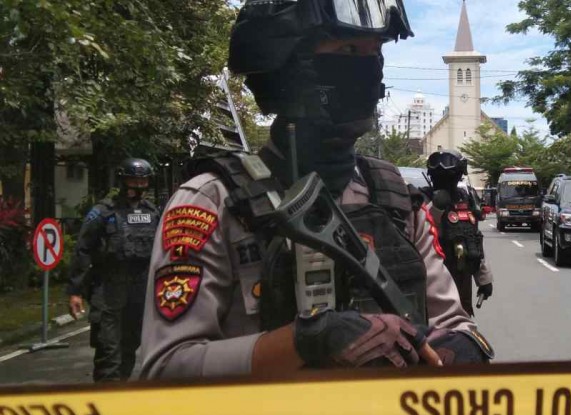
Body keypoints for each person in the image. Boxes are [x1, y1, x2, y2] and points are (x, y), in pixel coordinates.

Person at [139, 0, 493, 378]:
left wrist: (458, 348)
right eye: (348, 50)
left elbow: (455, 323)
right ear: (287, 66)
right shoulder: (215, 202)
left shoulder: (393, 197)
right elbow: (164, 368)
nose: (370, 69)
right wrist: (304, 342)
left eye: (375, 52)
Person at [68, 158, 160, 382]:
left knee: (130, 346)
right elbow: (83, 249)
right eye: (133, 179)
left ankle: (119, 393)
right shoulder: (103, 212)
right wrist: (75, 291)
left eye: (143, 180)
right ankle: (106, 401)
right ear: (122, 180)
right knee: (109, 351)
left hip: (140, 288)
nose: (138, 185)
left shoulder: (152, 213)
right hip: (108, 289)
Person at [426, 149, 493, 315]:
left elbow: (474, 240)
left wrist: (484, 279)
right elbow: (422, 233)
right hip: (433, 279)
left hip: (462, 278)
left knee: (462, 324)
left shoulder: (466, 198)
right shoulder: (422, 199)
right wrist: (436, 208)